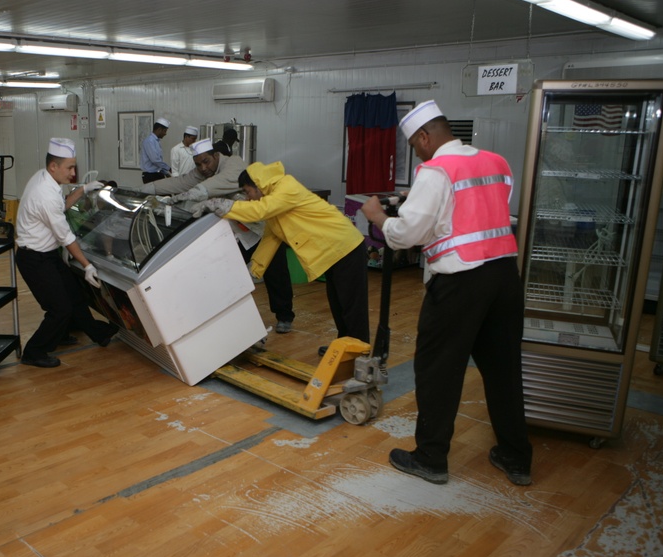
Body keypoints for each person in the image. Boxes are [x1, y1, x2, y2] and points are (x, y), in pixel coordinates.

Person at [360, 100, 532, 487]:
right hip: (504, 276)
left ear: (425, 136)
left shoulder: (436, 170)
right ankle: (516, 457)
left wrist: (378, 216)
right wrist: (419, 200)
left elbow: (408, 234)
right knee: (504, 370)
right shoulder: (496, 162)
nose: (418, 152)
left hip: (460, 283)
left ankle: (431, 458)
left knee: (438, 370)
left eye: (416, 145)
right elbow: (472, 212)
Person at [193, 161, 368, 347]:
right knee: (338, 303)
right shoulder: (274, 202)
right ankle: (344, 347)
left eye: (247, 192)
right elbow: (271, 238)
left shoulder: (286, 187)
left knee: (351, 306)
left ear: (257, 186)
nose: (248, 198)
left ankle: (359, 353)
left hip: (345, 247)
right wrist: (255, 268)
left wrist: (219, 204)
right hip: (334, 251)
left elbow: (259, 211)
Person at [144, 140, 295, 333]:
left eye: (206, 161)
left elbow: (215, 185)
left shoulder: (234, 164)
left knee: (276, 274)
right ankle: (228, 317)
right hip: (239, 234)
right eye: (198, 164)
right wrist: (144, 190)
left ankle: (284, 316)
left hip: (263, 229)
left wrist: (191, 194)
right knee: (226, 272)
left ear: (216, 156)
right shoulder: (203, 173)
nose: (203, 168)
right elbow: (178, 182)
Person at [15, 138, 118, 368]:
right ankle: (34, 352)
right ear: (54, 166)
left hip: (46, 254)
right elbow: (66, 237)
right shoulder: (45, 193)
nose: (73, 173)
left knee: (74, 295)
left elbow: (61, 206)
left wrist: (83, 189)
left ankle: (97, 334)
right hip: (34, 258)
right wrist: (87, 265)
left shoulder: (44, 178)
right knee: (59, 309)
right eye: (70, 168)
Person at [140, 118, 171, 183]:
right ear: (159, 129)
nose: (165, 134)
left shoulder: (156, 141)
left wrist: (165, 172)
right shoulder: (149, 141)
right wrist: (169, 168)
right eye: (165, 131)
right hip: (150, 176)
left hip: (157, 174)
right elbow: (155, 160)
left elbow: (157, 164)